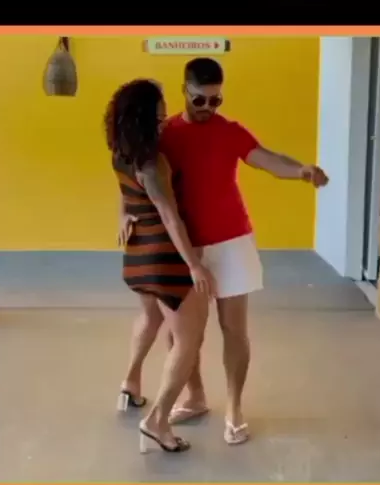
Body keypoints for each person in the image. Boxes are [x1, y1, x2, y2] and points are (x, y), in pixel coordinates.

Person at [119, 58, 329, 445]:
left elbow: (267, 159)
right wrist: (125, 212)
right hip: (185, 247)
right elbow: (135, 171)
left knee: (234, 329)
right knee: (184, 335)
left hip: (232, 243)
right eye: (200, 100)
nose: (208, 108)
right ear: (184, 91)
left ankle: (234, 408)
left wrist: (302, 170)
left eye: (216, 100)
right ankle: (195, 397)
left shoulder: (230, 131)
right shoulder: (165, 134)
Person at [104, 79, 215, 454]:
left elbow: (124, 191)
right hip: (165, 257)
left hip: (137, 253)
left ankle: (130, 383)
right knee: (188, 339)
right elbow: (170, 216)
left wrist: (123, 214)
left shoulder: (121, 152)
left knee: (150, 318)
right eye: (158, 114)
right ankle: (157, 420)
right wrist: (194, 265)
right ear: (144, 117)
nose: (164, 118)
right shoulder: (154, 163)